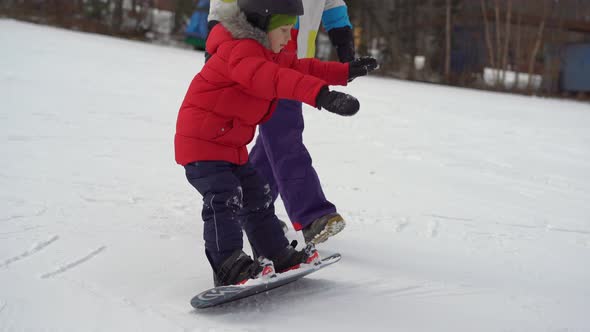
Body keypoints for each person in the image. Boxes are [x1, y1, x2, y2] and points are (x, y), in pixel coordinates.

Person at [175, 0, 377, 286]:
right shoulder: (242, 52)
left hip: (228, 144)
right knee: (224, 197)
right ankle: (228, 265)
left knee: (256, 196)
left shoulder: (265, 50)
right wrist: (321, 96)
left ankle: (275, 252)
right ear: (263, 25)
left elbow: (299, 66)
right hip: (203, 145)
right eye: (284, 30)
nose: (289, 36)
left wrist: (343, 72)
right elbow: (278, 78)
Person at [209, 0, 365, 245]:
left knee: (273, 142)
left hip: (297, 61)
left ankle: (246, 207)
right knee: (284, 136)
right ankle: (312, 216)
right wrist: (215, 34)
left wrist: (342, 37)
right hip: (258, 56)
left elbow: (331, 2)